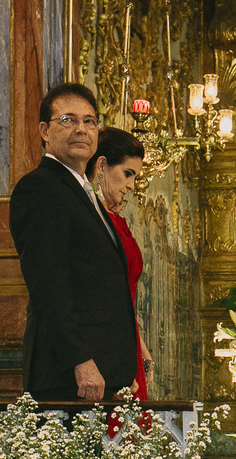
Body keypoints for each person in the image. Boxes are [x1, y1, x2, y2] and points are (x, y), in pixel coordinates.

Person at [10, 83, 137, 402]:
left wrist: (124, 369)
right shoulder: (39, 188)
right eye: (67, 119)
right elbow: (49, 285)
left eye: (89, 121)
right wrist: (81, 362)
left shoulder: (83, 192)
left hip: (103, 376)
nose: (81, 128)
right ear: (44, 131)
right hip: (69, 378)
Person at [86, 128, 152, 399]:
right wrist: (117, 364)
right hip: (107, 351)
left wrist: (140, 347)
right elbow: (95, 298)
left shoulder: (116, 223)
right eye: (128, 173)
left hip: (128, 346)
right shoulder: (91, 220)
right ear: (101, 165)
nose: (132, 185)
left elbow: (124, 297)